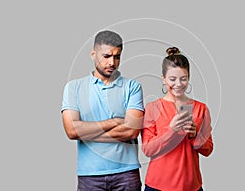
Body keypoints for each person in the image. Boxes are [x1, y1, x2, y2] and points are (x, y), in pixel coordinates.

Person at [61, 30, 144, 191]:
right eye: (106, 56)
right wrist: (114, 122)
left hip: (126, 173)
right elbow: (71, 131)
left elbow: (132, 132)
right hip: (90, 175)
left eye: (117, 56)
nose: (112, 62)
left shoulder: (132, 87)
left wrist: (86, 132)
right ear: (93, 54)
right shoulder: (73, 88)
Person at [141, 47, 213, 191]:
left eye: (183, 79)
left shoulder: (201, 108)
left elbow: (208, 149)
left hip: (191, 186)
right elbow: (148, 149)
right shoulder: (153, 108)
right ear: (163, 79)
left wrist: (194, 136)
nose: (178, 84)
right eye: (172, 79)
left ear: (189, 78)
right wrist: (171, 130)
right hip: (157, 186)